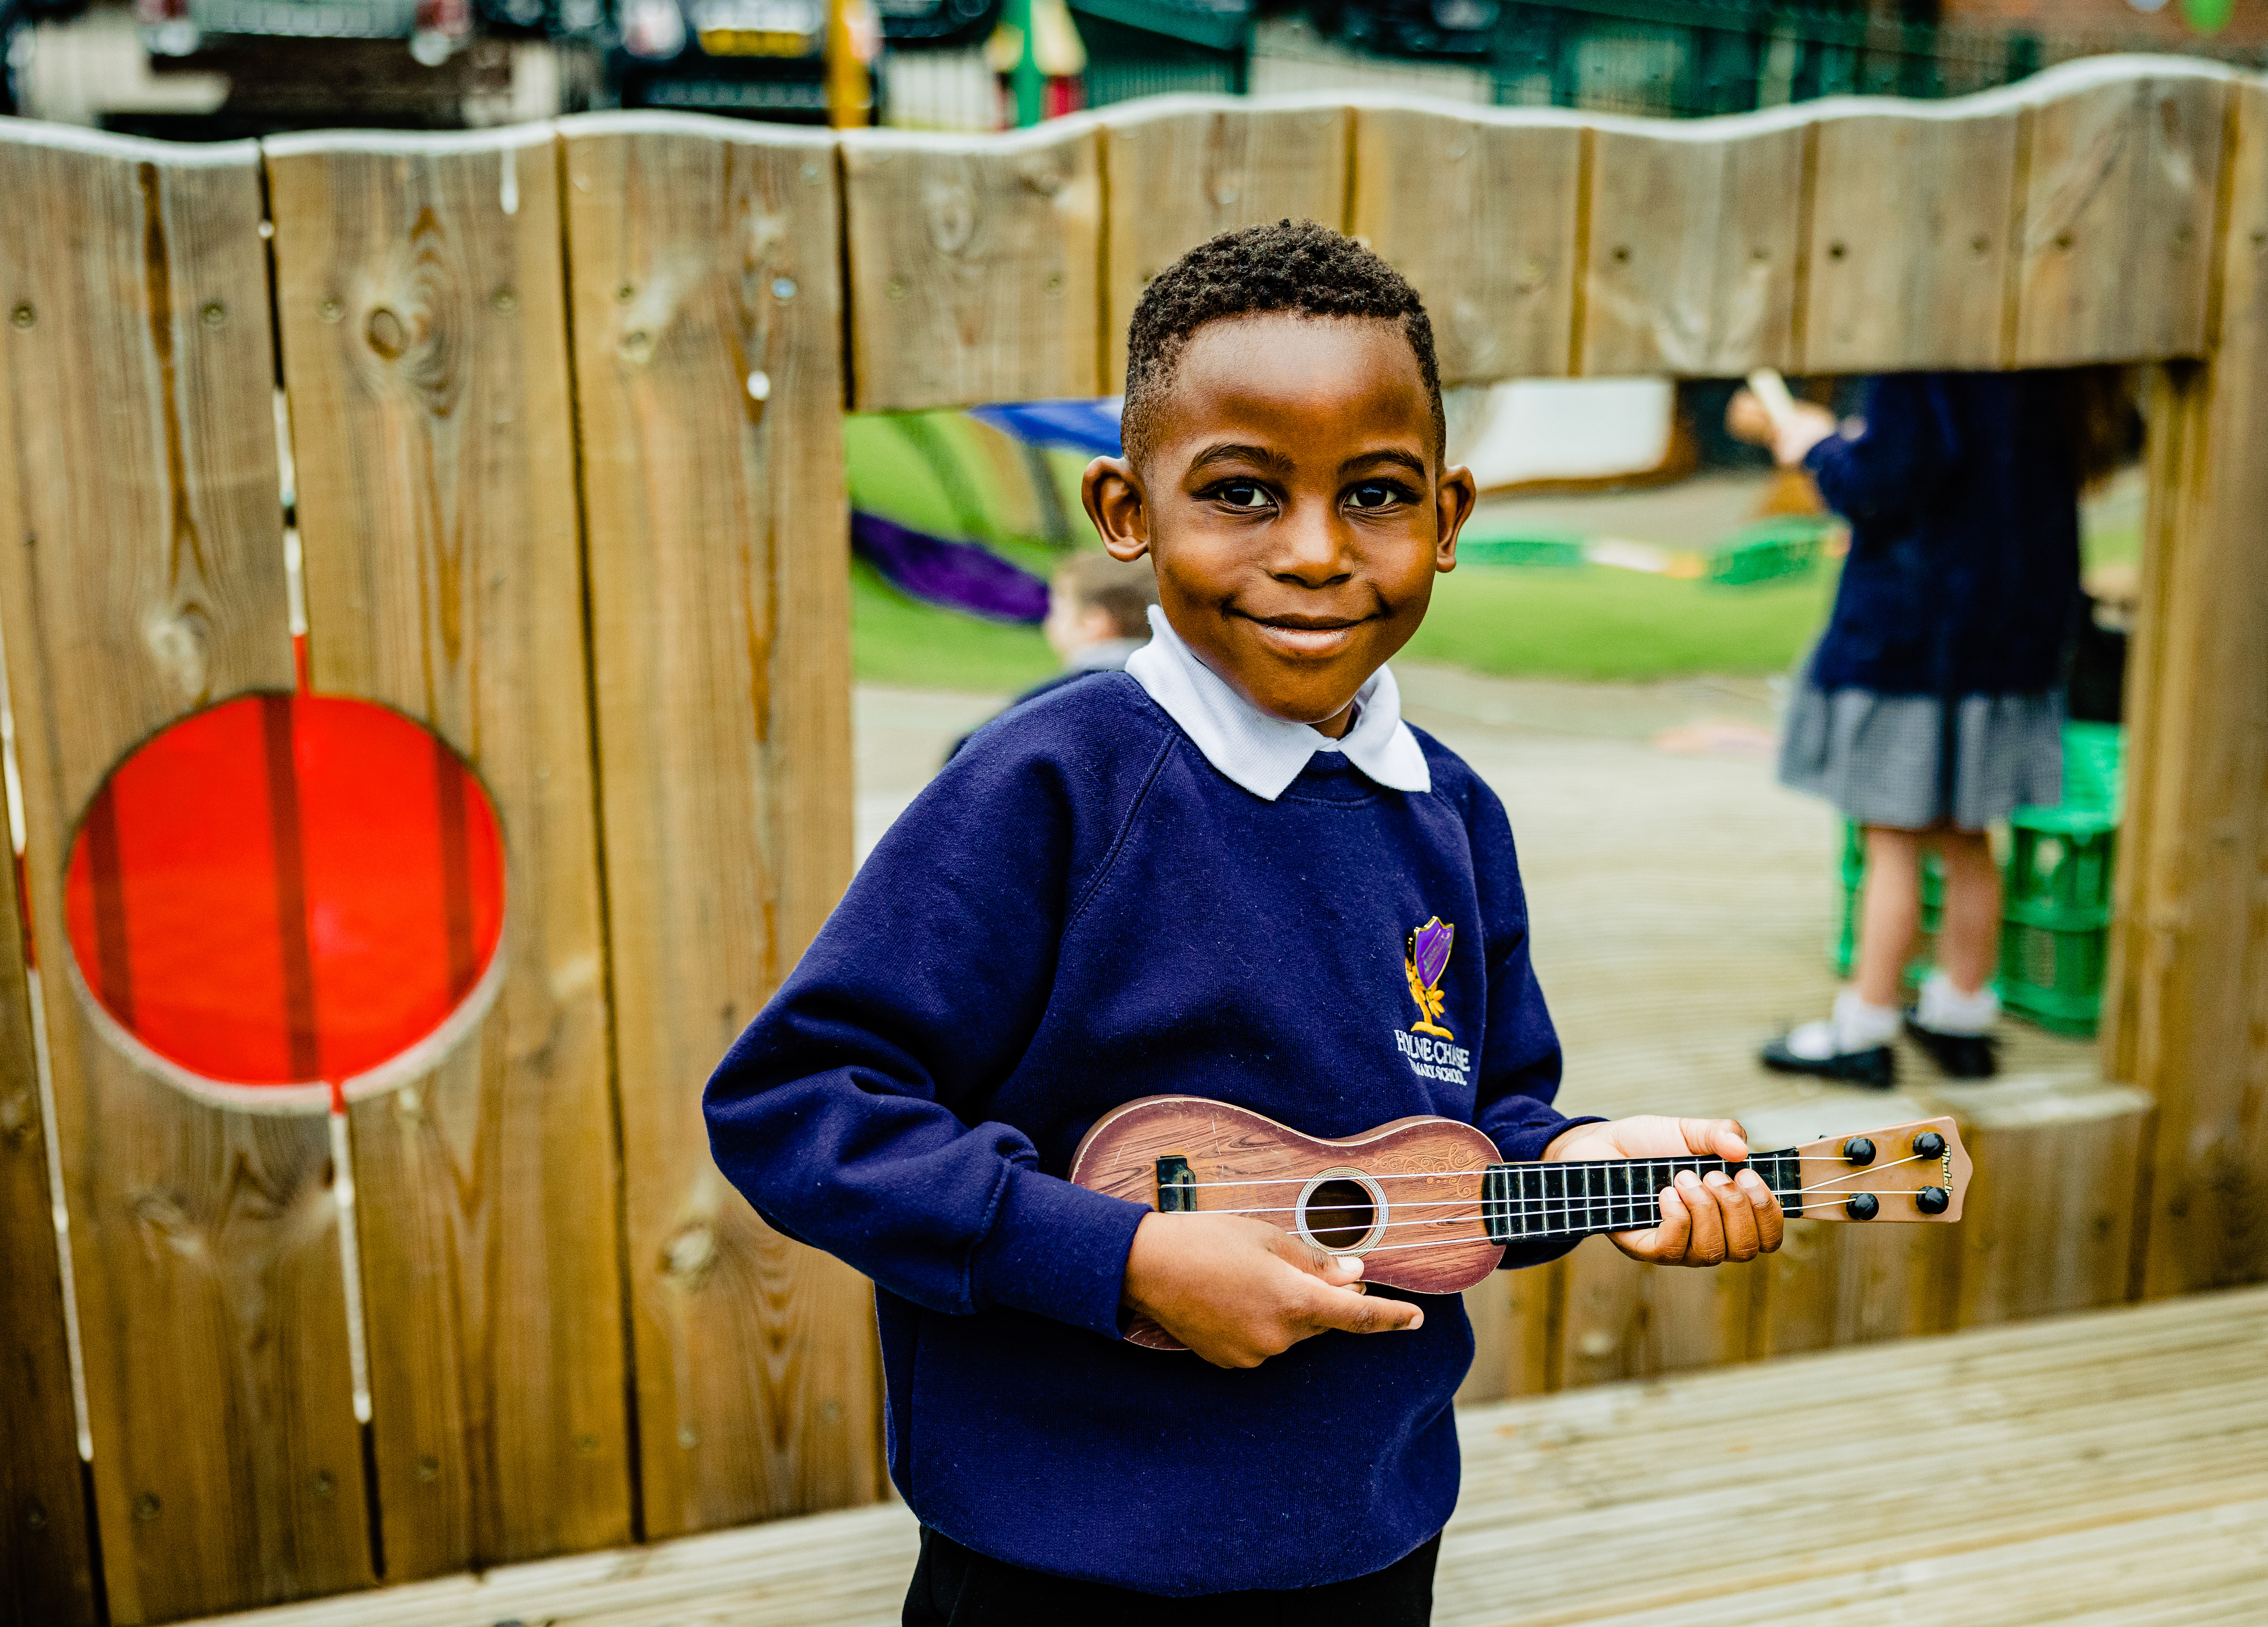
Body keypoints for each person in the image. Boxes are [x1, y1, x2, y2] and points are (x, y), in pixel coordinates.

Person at [704, 220, 1784, 1625]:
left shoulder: (1452, 815)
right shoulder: (1048, 787)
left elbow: (1474, 1133)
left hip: (1365, 1542)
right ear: (1125, 510)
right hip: (1061, 1560)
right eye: (1244, 493)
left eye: (1378, 493)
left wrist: (1589, 1160)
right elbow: (798, 1102)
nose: (1320, 552)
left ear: (1450, 518)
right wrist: (1125, 1259)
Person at [1732, 369, 2128, 1086]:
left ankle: (1865, 1028)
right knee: (1970, 836)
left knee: (1892, 839)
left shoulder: (1929, 354)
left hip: (1915, 643)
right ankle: (1961, 1018)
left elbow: (1881, 484)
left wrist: (1818, 446)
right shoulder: (2051, 366)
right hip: (2013, 643)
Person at [946, 548, 1157, 765]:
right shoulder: (1167, 691)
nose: (1049, 622)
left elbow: (963, 759)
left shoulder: (1047, 700)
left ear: (1092, 623)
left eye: (1058, 611)